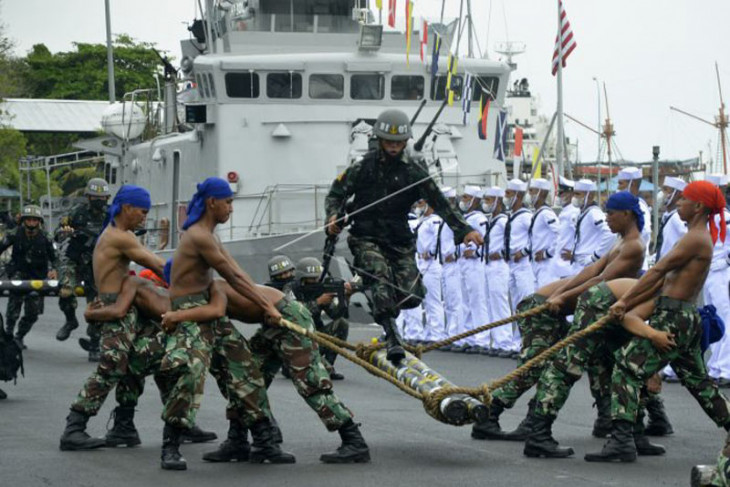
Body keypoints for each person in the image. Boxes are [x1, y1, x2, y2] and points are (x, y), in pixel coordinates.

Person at [473, 191, 646, 441]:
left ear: (627, 214)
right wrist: (562, 293)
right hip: (544, 309)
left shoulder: (632, 245)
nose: (606, 218)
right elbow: (594, 273)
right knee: (535, 367)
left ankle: (606, 418)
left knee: (600, 357)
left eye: (610, 213)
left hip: (559, 307)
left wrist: (563, 295)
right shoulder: (621, 243)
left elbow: (600, 278)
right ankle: (489, 416)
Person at [585, 180, 730, 462]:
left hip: (673, 318)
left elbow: (658, 270)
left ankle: (622, 441)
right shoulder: (695, 236)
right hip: (679, 316)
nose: (678, 203)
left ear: (698, 206)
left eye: (684, 199)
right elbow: (663, 278)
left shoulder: (695, 238)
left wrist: (624, 302)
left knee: (625, 368)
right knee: (698, 382)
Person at [325, 109, 482, 364]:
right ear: (380, 140)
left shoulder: (413, 172)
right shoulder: (361, 168)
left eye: (399, 143)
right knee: (379, 273)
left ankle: (369, 288)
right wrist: (333, 218)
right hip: (366, 236)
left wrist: (464, 230)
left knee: (412, 294)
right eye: (389, 142)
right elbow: (335, 194)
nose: (394, 148)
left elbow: (440, 202)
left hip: (398, 239)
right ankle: (392, 335)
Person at [160, 177, 293, 470]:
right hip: (190, 314)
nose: (231, 208)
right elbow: (232, 278)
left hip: (210, 313)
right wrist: (267, 305)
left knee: (245, 370)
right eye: (228, 202)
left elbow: (237, 272)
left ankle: (263, 439)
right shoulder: (198, 236)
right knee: (190, 373)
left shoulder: (210, 235)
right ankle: (170, 444)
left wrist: (266, 304)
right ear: (212, 203)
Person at [58, 184, 165, 453]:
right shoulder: (120, 236)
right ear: (127, 208)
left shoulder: (122, 234)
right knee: (112, 366)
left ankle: (124, 426)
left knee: (139, 360)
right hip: (115, 305)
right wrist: (195, 278)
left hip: (125, 305)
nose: (145, 216)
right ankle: (74, 428)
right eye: (142, 211)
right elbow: (159, 266)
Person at [83, 274, 217, 447]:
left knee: (144, 365)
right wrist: (90, 314)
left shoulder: (154, 290)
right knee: (137, 362)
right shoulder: (145, 288)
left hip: (172, 342)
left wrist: (90, 314)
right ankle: (168, 424)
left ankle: (133, 426)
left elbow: (119, 312)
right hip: (170, 343)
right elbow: (119, 312)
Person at [55, 178, 111, 361]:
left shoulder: (112, 215)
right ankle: (70, 320)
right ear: (88, 197)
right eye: (94, 197)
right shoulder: (76, 213)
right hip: (76, 259)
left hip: (98, 263)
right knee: (65, 290)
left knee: (98, 303)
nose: (98, 201)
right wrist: (66, 232)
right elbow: (58, 232)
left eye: (101, 197)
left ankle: (94, 342)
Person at [0, 205, 58, 349]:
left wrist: (55, 270)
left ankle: (19, 336)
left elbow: (55, 258)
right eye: (29, 220)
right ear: (24, 221)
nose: (31, 223)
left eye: (34, 220)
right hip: (18, 274)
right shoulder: (14, 233)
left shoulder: (46, 237)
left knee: (33, 313)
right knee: (13, 309)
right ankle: (8, 336)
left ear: (39, 222)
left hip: (37, 277)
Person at [289, 257, 352, 380]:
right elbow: (292, 313)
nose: (315, 281)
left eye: (317, 278)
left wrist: (346, 297)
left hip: (316, 337)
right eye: (311, 279)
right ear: (302, 279)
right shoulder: (291, 289)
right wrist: (317, 302)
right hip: (295, 340)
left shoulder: (321, 290)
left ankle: (328, 365)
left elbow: (335, 315)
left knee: (342, 324)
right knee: (295, 369)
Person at [702, 174, 730, 388]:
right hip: (709, 273)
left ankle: (726, 369)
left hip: (721, 274)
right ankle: (715, 366)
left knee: (726, 321)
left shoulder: (726, 218)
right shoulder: (707, 218)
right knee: (714, 319)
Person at [455, 186, 489, 353]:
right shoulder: (466, 217)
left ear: (475, 199)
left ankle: (481, 339)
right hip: (464, 263)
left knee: (477, 301)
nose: (464, 200)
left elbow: (484, 240)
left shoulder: (479, 218)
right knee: (466, 302)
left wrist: (475, 252)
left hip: (475, 264)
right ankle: (469, 337)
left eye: (467, 197)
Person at [481, 186, 514, 356]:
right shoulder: (493, 220)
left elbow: (509, 241)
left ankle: (505, 341)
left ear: (497, 201)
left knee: (500, 304)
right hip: (489, 266)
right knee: (491, 302)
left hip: (499, 265)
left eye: (488, 200)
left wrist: (501, 252)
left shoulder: (503, 221)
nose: (485, 203)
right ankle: (496, 340)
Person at [504, 179, 535, 355]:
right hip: (512, 265)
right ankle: (517, 342)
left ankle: (528, 342)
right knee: (516, 304)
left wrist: (523, 252)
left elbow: (536, 237)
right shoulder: (512, 216)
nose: (505, 197)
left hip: (523, 264)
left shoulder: (526, 217)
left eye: (508, 193)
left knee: (525, 302)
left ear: (518, 195)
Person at [413, 199, 447, 345]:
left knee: (433, 300)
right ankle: (429, 331)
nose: (417, 207)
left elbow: (436, 238)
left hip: (431, 263)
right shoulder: (423, 221)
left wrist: (431, 252)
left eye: (420, 204)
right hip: (422, 262)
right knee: (426, 301)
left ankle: (437, 333)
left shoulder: (435, 221)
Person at [437, 187, 464, 351]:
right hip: (444, 265)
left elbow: (463, 237)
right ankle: (450, 334)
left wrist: (455, 253)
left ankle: (456, 336)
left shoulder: (457, 219)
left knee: (456, 301)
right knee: (448, 301)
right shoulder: (444, 219)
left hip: (454, 264)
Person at [570, 179, 615, 273]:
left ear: (589, 195)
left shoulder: (594, 213)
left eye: (578, 194)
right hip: (579, 263)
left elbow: (610, 233)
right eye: (574, 194)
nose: (574, 197)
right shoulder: (582, 212)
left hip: (587, 262)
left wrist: (596, 256)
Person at [617, 167, 652, 271]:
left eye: (621, 183)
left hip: (636, 265)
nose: (618, 187)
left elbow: (644, 232)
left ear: (631, 184)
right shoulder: (627, 205)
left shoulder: (639, 206)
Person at [527, 178, 559, 288]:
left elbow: (559, 234)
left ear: (541, 193)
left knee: (545, 297)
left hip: (546, 265)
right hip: (536, 264)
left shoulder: (546, 214)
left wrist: (548, 253)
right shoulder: (538, 213)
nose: (529, 194)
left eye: (532, 191)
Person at [548, 177, 579, 281]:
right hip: (559, 267)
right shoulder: (565, 212)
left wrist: (575, 254)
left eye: (561, 193)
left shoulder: (574, 213)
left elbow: (581, 236)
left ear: (570, 194)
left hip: (568, 267)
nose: (558, 197)